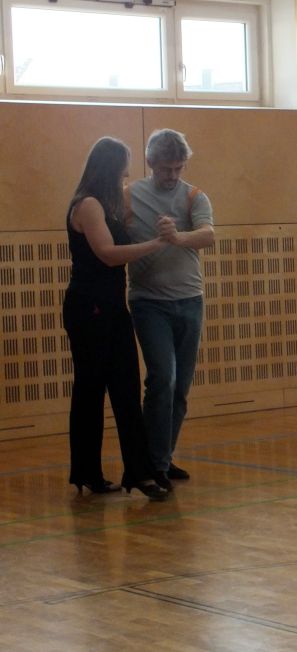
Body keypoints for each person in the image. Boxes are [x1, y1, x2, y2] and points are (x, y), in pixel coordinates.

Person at [63, 137, 170, 501]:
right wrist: (156, 245)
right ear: (110, 168)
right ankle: (87, 472)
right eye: (123, 168)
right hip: (88, 307)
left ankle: (138, 473)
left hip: (110, 305)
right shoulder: (88, 205)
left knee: (126, 387)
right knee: (90, 389)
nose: (127, 175)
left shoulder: (108, 204)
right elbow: (108, 254)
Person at [126, 129, 214, 491]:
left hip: (189, 299)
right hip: (149, 302)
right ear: (151, 163)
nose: (172, 175)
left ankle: (162, 456)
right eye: (166, 169)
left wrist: (177, 237)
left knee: (180, 388)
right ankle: (153, 464)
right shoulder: (130, 196)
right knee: (162, 378)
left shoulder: (194, 196)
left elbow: (208, 235)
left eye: (179, 168)